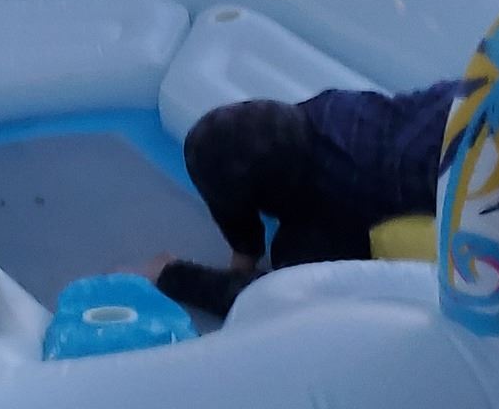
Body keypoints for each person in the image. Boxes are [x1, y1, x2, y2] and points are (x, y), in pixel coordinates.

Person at [152, 80, 459, 318]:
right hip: (442, 126)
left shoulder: (317, 233)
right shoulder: (334, 108)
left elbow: (276, 301)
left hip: (428, 192)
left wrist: (171, 275)